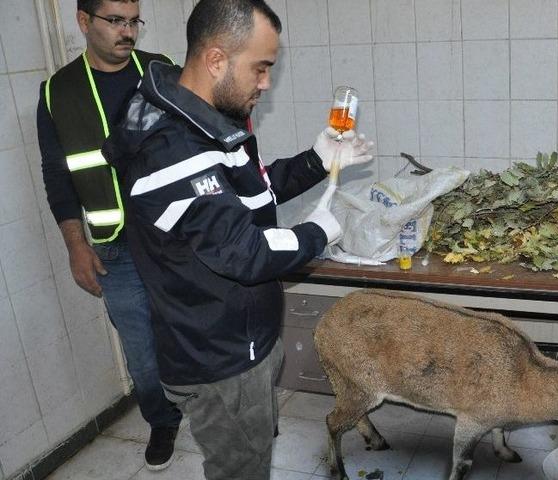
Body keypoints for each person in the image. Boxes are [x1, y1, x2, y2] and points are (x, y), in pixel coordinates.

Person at [101, 0, 372, 478]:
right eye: (261, 68)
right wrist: (318, 233)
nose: (266, 83)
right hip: (221, 360)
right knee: (241, 469)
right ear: (216, 60)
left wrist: (316, 159)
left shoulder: (206, 125)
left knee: (253, 455)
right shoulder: (175, 151)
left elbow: (250, 192)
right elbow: (244, 253)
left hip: (241, 340)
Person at [37, 0, 182, 470]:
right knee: (139, 349)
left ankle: (214, 405)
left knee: (196, 326)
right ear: (84, 21)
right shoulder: (58, 92)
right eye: (116, 21)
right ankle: (161, 419)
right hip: (114, 247)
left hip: (174, 234)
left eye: (133, 21)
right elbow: (57, 176)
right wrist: (76, 246)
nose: (128, 32)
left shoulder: (161, 71)